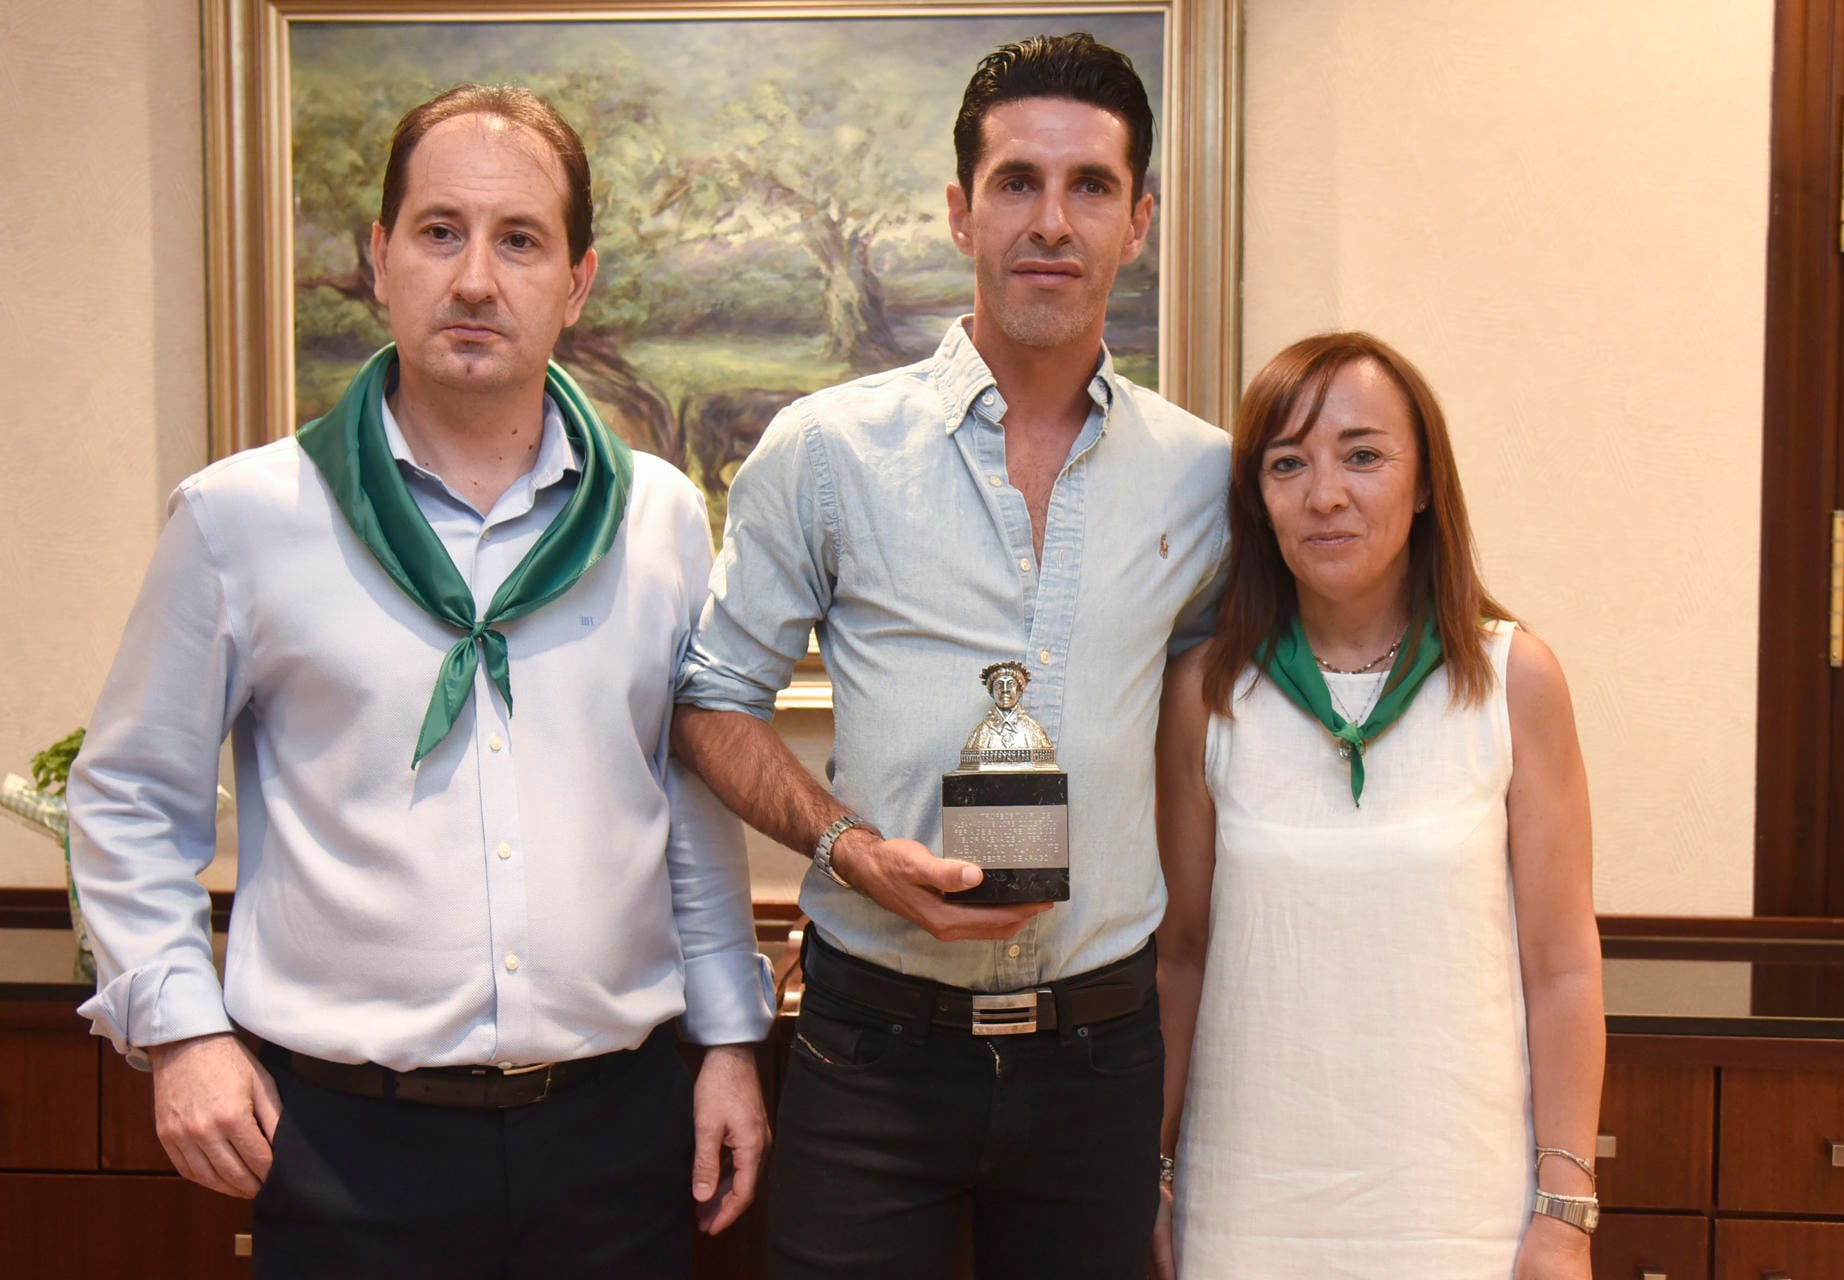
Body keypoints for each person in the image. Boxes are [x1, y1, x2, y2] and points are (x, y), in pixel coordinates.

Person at [67, 84, 774, 1279]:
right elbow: (131, 795)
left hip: (614, 1134)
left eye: (520, 240)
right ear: (382, 257)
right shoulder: (243, 518)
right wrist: (181, 1027)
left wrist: (729, 1042)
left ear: (578, 281)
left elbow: (685, 797)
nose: (477, 279)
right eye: (440, 231)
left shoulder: (656, 515)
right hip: (347, 1144)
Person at [672, 32, 1229, 1280]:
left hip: (1102, 1052)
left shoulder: (1206, 477)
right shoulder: (824, 450)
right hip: (872, 1049)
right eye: (1016, 181)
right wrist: (846, 845)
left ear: (1137, 220)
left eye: (1090, 186)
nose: (1051, 220)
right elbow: (711, 700)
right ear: (957, 210)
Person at [1151, 331, 1605, 1279]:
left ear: (1426, 480)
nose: (1325, 494)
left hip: (1460, 1209)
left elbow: (1562, 968)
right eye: (1288, 464)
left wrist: (1563, 1215)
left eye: (1363, 455)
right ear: (1256, 499)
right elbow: (1182, 955)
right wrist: (1151, 1171)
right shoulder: (1207, 692)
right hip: (1247, 1206)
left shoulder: (1513, 680)